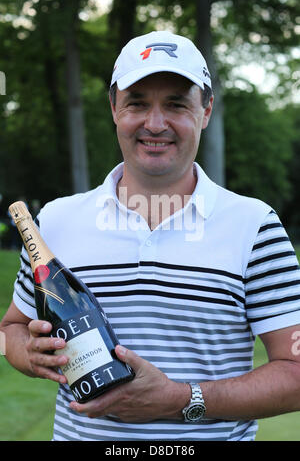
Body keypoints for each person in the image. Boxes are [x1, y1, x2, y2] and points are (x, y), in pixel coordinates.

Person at [1, 30, 300, 442]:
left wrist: (180, 398)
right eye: (137, 103)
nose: (155, 124)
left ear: (206, 109)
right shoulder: (55, 220)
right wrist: (27, 354)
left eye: (176, 104)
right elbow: (10, 331)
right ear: (113, 108)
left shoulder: (254, 226)